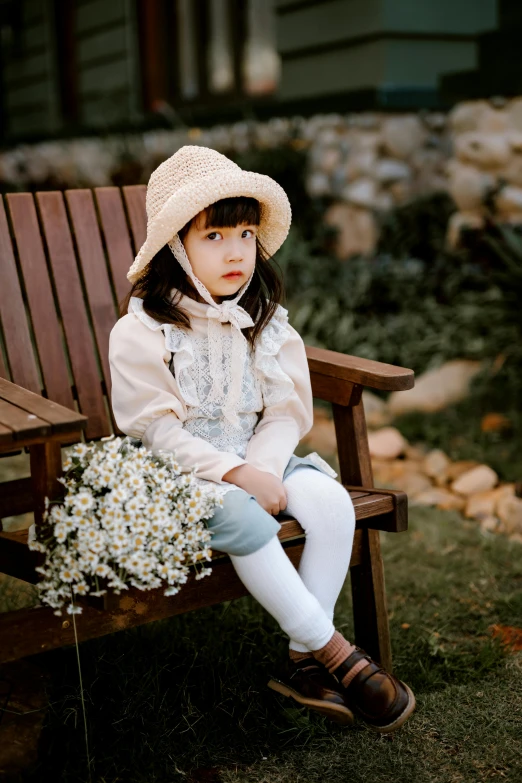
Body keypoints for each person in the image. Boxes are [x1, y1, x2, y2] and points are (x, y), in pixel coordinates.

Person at [109, 145, 416, 732]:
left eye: (246, 234)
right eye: (215, 237)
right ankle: (336, 656)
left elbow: (284, 413)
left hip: (257, 461)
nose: (237, 252)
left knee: (329, 503)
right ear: (177, 247)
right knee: (246, 520)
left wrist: (265, 469)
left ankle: (302, 661)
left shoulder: (265, 323)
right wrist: (237, 477)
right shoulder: (142, 332)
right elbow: (157, 430)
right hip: (182, 477)